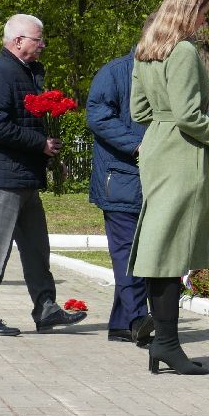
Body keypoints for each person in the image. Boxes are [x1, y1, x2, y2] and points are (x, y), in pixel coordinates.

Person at [128, 0, 209, 374]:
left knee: (160, 249)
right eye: (204, 11)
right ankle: (168, 344)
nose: (207, 18)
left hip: (156, 148)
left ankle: (164, 343)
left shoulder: (147, 50)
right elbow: (191, 116)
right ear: (191, 10)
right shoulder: (185, 51)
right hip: (181, 154)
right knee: (171, 252)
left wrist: (165, 118)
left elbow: (138, 111)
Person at [0, 14, 86, 337]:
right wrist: (40, 143)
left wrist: (47, 155)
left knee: (37, 249)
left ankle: (45, 308)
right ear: (18, 41)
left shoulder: (27, 73)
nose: (43, 44)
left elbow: (27, 122)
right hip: (4, 179)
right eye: (38, 39)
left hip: (25, 177)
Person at [86, 49, 150, 344]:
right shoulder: (115, 72)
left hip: (146, 179)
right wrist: (139, 146)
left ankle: (121, 323)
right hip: (120, 177)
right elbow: (98, 117)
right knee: (127, 253)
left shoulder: (160, 71)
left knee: (136, 253)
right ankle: (138, 319)